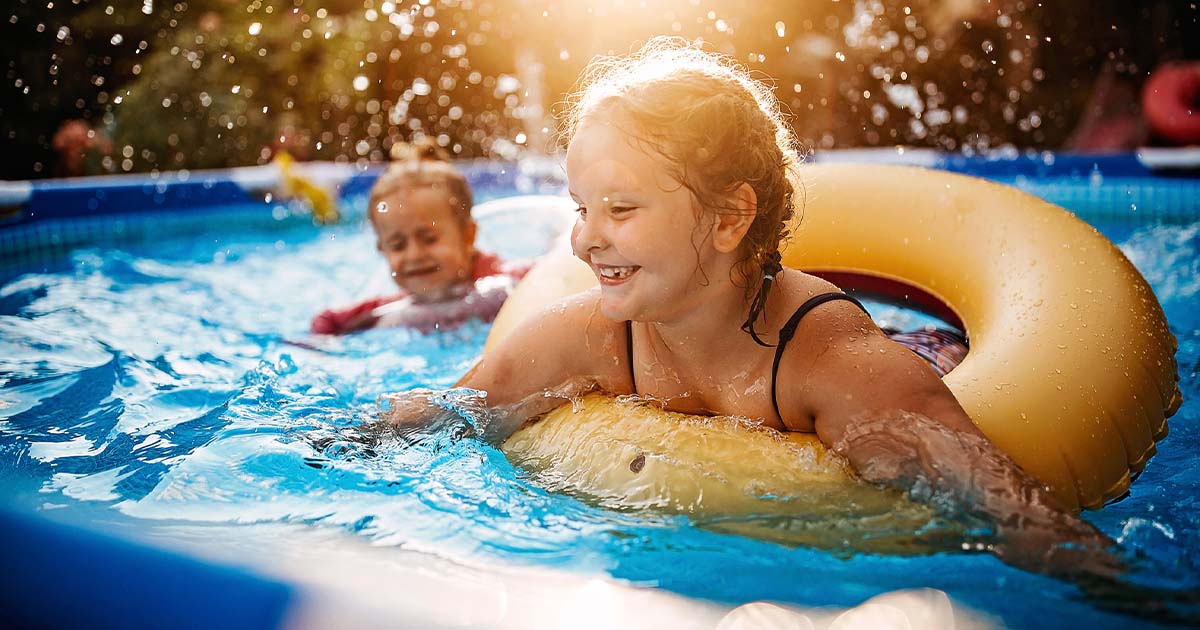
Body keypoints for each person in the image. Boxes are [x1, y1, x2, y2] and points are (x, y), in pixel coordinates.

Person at [381, 38, 1123, 583]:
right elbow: (448, 410)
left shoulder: (831, 361)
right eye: (581, 208)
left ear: (733, 217)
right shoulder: (589, 338)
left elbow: (1006, 510)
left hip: (924, 349)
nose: (586, 237)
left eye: (621, 208)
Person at [310, 139, 530, 335]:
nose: (414, 254)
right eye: (397, 246)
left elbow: (548, 275)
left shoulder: (505, 281)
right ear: (382, 249)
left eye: (430, 239)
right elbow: (327, 321)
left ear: (468, 236)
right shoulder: (403, 304)